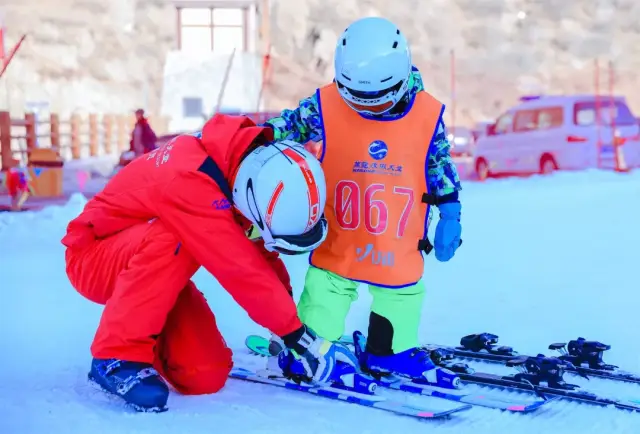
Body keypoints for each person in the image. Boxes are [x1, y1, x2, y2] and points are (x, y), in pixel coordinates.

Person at [62, 114, 351, 412]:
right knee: (172, 235)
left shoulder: (242, 167)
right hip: (94, 258)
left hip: (149, 272)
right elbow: (239, 268)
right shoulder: (190, 180)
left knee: (205, 375)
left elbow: (259, 255)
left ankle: (143, 335)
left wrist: (288, 328)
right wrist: (299, 337)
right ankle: (116, 355)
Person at [262, 17, 463, 384]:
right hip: (341, 231)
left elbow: (438, 163)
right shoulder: (324, 105)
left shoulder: (427, 115)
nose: (369, 109)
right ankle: (309, 348)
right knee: (326, 290)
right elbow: (288, 125)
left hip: (397, 237)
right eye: (359, 100)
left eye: (378, 101)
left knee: (402, 291)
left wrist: (450, 209)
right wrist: (252, 136)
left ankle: (390, 351)